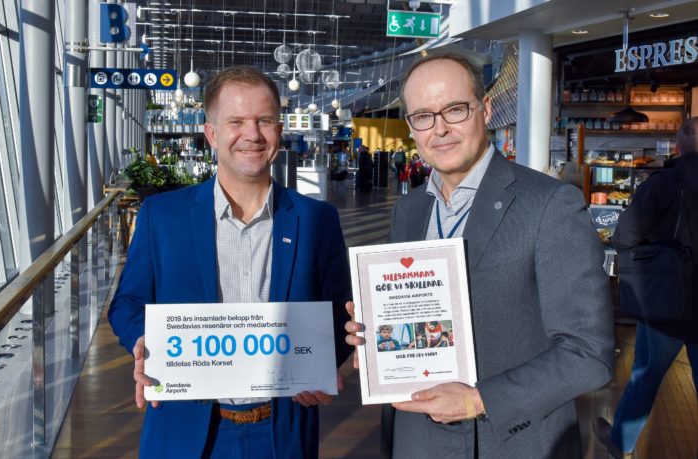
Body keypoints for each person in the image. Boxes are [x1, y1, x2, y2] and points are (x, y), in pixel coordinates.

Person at [345, 52, 614, 459]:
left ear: (485, 109)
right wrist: (376, 338)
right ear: (412, 127)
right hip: (417, 440)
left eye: (455, 109)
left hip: (510, 443)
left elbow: (589, 353)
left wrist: (478, 400)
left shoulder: (549, 204)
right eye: (423, 116)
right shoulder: (410, 209)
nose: (440, 129)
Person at [108, 66, 352, 459]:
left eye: (264, 120)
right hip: (185, 429)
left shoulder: (317, 220)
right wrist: (142, 341)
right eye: (236, 122)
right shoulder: (163, 216)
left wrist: (328, 364)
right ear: (211, 134)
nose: (252, 134)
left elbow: (340, 312)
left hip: (283, 430)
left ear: (279, 130)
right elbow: (127, 303)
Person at [594, 118, 698, 459]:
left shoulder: (662, 184)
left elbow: (624, 236)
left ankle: (620, 442)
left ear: (678, 147)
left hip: (666, 302)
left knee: (645, 376)